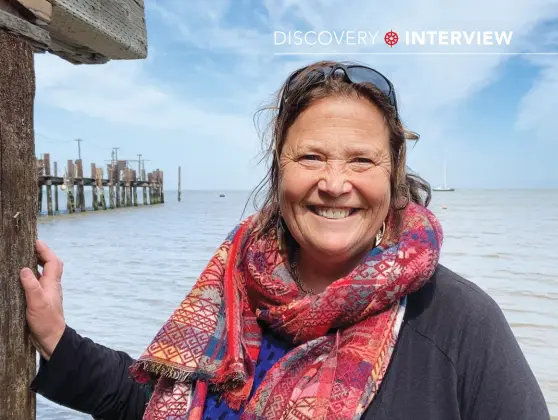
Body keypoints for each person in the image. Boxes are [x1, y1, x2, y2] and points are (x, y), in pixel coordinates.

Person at [20, 61, 550, 420]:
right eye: (312, 157)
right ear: (279, 171)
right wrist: (55, 338)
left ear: (394, 176)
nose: (335, 183)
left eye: (361, 160)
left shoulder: (460, 324)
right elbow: (165, 400)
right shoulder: (237, 281)